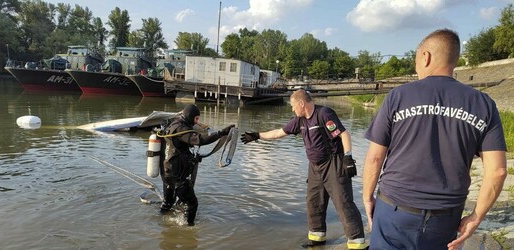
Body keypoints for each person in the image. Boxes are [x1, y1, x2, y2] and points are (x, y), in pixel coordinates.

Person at [362, 29, 507, 250]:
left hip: (394, 211)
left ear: (426, 56)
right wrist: (476, 217)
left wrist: (367, 197)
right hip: (444, 218)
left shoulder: (398, 96)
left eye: (416, 59)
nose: (416, 67)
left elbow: (374, 158)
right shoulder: (484, 104)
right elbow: (498, 171)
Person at [241, 89, 368, 249]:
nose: (292, 109)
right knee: (313, 202)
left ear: (301, 103)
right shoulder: (299, 121)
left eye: (294, 106)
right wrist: (257, 136)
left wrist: (348, 158)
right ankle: (317, 237)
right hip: (314, 167)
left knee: (343, 202)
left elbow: (343, 135)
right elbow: (279, 133)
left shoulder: (324, 115)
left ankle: (357, 243)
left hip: (333, 164)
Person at [159, 104, 235, 226]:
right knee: (192, 203)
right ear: (190, 116)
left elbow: (179, 149)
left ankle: (160, 223)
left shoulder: (173, 125)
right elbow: (200, 140)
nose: (197, 121)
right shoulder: (182, 130)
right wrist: (221, 133)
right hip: (177, 176)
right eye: (196, 118)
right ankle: (189, 230)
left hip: (166, 172)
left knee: (168, 203)